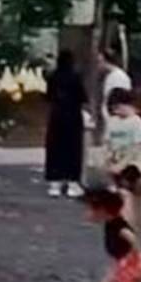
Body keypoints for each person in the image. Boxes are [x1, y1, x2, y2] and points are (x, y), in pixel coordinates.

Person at [44, 50, 87, 198]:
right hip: (73, 117)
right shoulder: (76, 77)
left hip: (56, 117)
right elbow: (83, 97)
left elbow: (48, 97)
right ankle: (72, 183)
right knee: (73, 149)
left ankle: (54, 182)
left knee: (55, 148)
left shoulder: (53, 77)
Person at [104, 88, 141, 216]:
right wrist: (108, 159)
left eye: (118, 107)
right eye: (113, 109)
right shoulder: (112, 122)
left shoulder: (136, 122)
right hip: (116, 158)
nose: (116, 111)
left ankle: (133, 183)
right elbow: (107, 143)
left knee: (126, 180)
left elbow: (136, 148)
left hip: (133, 160)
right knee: (115, 179)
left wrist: (121, 165)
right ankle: (118, 182)